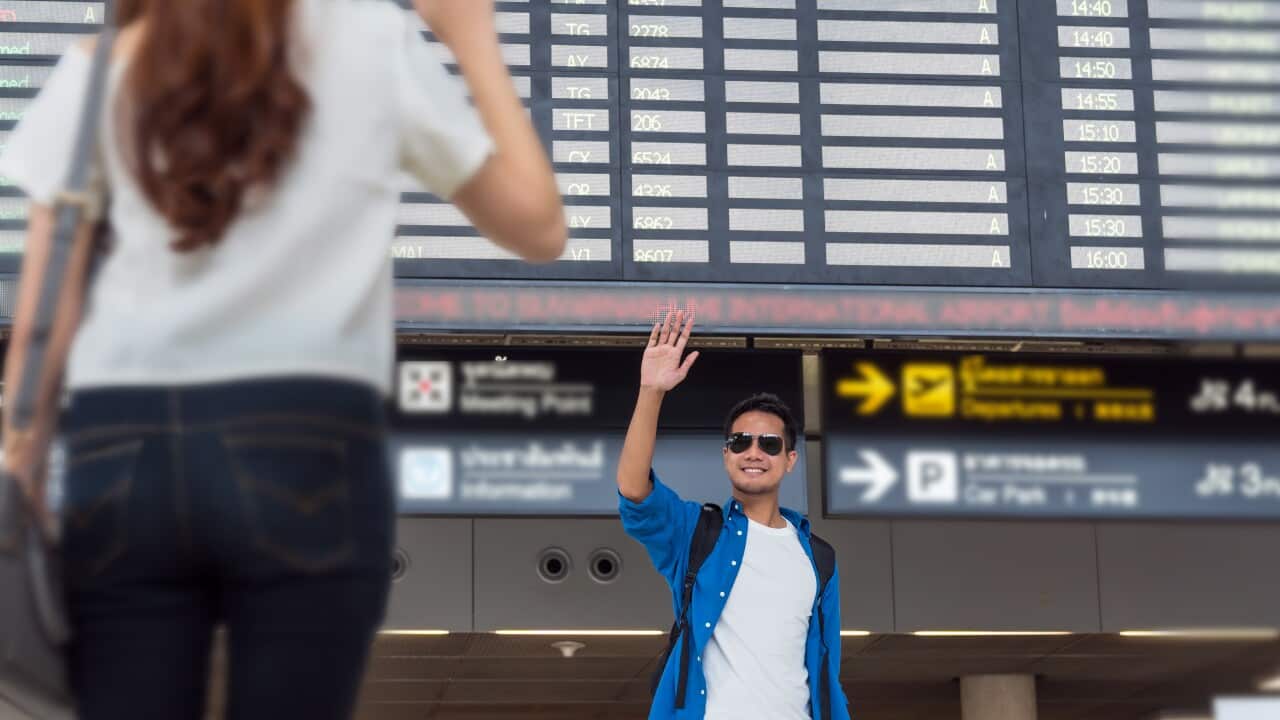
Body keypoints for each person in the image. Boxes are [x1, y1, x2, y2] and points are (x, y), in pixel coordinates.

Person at [0, 0, 565, 717]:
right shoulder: (369, 36)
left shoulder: (110, 59)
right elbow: (538, 225)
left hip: (124, 446)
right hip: (308, 439)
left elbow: (48, 315)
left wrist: (20, 463)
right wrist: (471, 35)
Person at [617, 310, 852, 720]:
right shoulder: (697, 534)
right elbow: (635, 493)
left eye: (770, 444)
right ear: (726, 455)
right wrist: (651, 391)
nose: (754, 452)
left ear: (791, 459)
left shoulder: (819, 557)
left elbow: (826, 673)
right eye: (740, 442)